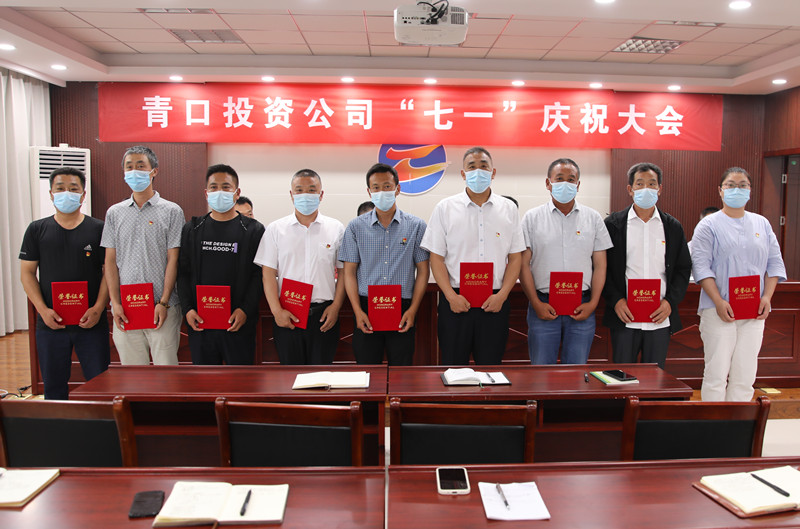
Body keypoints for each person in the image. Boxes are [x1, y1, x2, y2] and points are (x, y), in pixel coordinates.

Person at [421, 147, 523, 365]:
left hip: (495, 301)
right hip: (455, 301)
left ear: (493, 172)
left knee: (491, 369)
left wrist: (502, 295)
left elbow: (516, 258)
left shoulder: (509, 209)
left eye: (484, 166)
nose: (478, 171)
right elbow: (436, 258)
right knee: (453, 368)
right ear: (463, 173)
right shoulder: (445, 208)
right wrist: (450, 297)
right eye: (472, 166)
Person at [692, 167, 786, 401]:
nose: (737, 189)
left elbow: (775, 264)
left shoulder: (762, 224)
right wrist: (718, 301)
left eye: (743, 185)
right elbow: (701, 268)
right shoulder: (708, 225)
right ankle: (714, 424)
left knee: (745, 376)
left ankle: (739, 424)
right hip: (718, 310)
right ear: (720, 190)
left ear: (750, 190)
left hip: (753, 312)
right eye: (731, 185)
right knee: (716, 374)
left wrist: (767, 298)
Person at [19, 167, 110, 399]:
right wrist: (42, 310)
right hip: (51, 323)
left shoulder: (99, 229)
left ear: (83, 194)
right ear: (51, 194)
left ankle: (101, 423)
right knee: (53, 387)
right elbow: (27, 273)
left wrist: (99, 307)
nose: (66, 193)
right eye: (60, 189)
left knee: (100, 385)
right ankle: (58, 422)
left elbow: (109, 272)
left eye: (73, 189)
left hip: (91, 322)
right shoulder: (36, 229)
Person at [520, 158, 612, 365]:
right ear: (548, 183)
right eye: (559, 178)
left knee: (576, 373)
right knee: (542, 372)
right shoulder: (531, 218)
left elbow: (600, 265)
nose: (565, 184)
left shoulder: (593, 218)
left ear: (578, 185)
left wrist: (593, 303)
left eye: (571, 180)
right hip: (543, 305)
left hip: (582, 305)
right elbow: (523, 264)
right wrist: (535, 303)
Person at [602, 163, 692, 369]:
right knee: (623, 375)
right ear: (630, 189)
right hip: (625, 315)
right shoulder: (613, 225)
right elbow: (602, 268)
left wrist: (670, 302)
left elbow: (683, 269)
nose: (646, 189)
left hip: (659, 316)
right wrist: (616, 301)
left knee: (655, 376)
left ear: (660, 189)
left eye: (652, 184)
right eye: (640, 184)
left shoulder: (672, 227)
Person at [339, 163, 429, 365]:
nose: (382, 191)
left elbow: (423, 271)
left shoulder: (416, 226)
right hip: (366, 307)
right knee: (368, 370)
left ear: (397, 189)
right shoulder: (355, 227)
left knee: (401, 371)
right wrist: (357, 311)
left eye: (387, 186)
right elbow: (349, 273)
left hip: (403, 308)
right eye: (376, 187)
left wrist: (413, 310)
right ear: (369, 191)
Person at [101, 145, 184, 365]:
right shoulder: (114, 213)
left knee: (166, 372)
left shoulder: (172, 211)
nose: (134, 171)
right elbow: (110, 262)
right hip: (126, 308)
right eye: (129, 167)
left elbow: (173, 260)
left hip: (162, 307)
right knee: (133, 375)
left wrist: (164, 302)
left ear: (153, 171)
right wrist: (115, 303)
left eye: (140, 166)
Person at [255, 169, 346, 364]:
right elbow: (268, 274)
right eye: (299, 190)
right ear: (291, 194)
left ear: (321, 194)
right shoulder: (275, 229)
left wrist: (336, 307)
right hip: (288, 314)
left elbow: (344, 272)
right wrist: (277, 312)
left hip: (324, 315)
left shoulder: (336, 228)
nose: (305, 195)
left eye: (312, 190)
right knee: (290, 376)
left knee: (322, 376)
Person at [177, 164, 264, 365]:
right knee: (205, 380)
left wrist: (244, 310)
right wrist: (188, 309)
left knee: (240, 380)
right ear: (206, 193)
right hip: (201, 324)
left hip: (239, 324)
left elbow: (258, 275)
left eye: (226, 187)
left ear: (237, 192)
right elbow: (183, 273)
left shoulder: (254, 230)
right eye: (214, 187)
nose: (219, 192)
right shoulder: (192, 229)